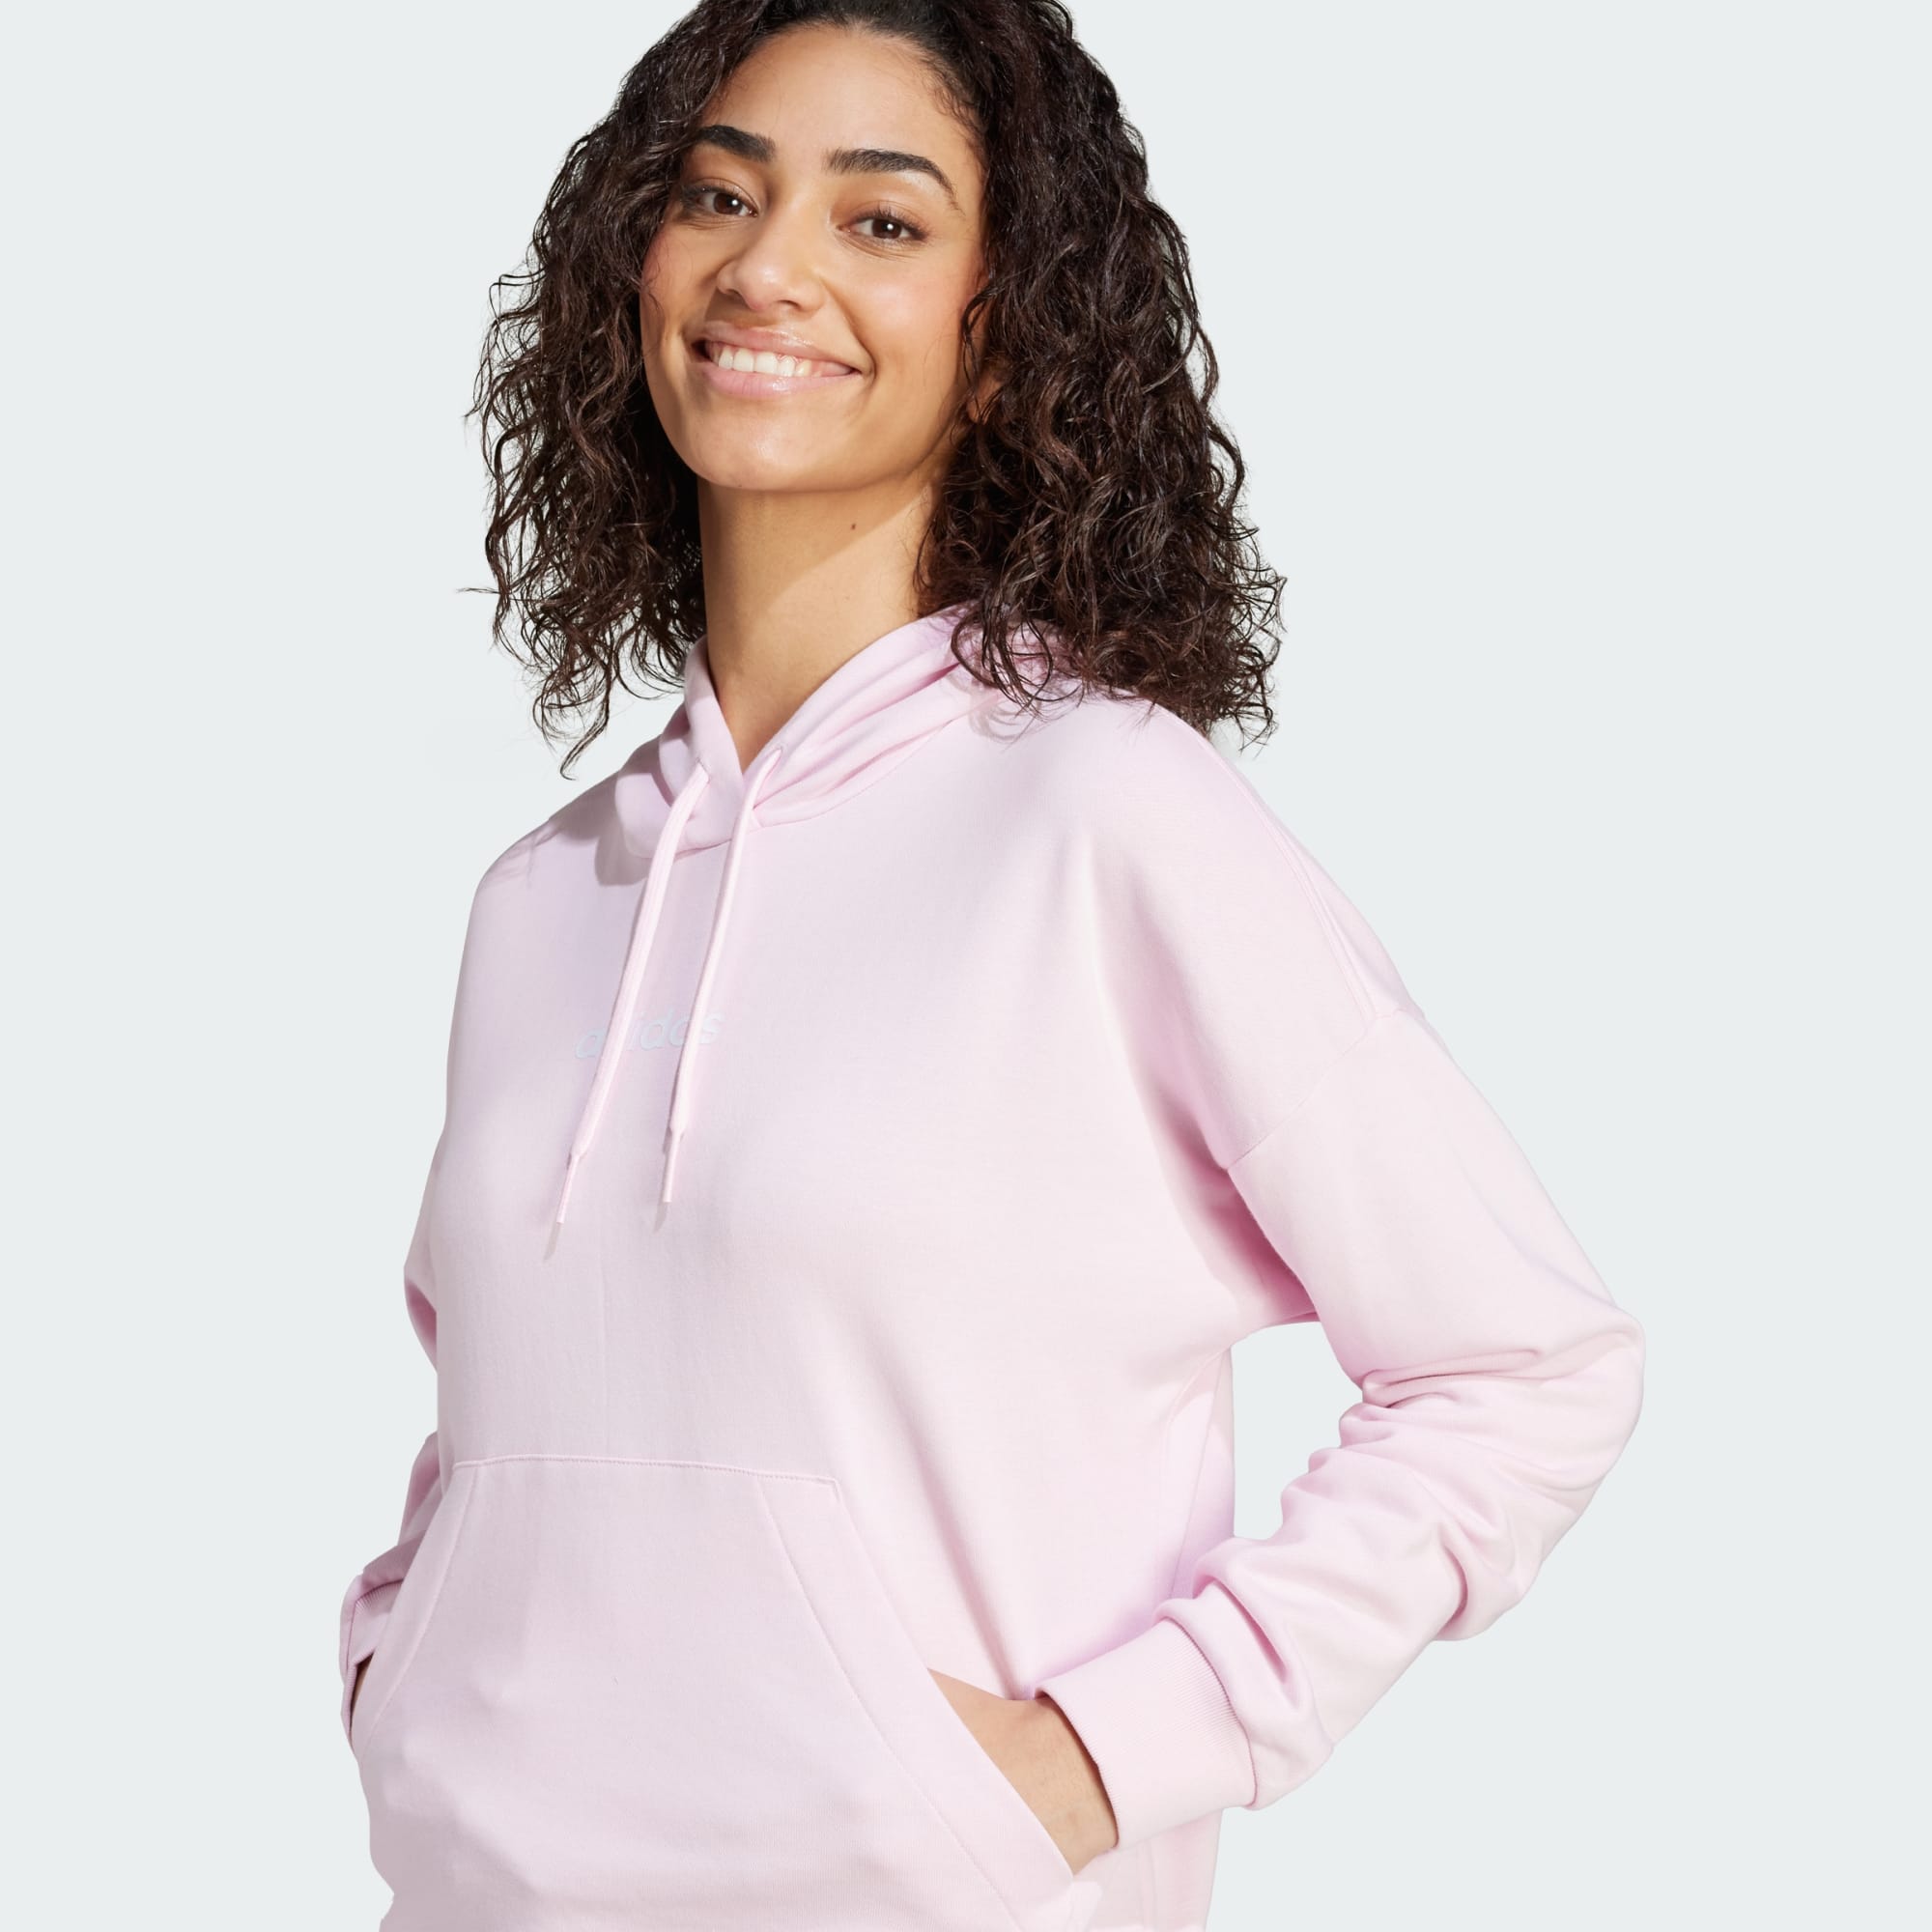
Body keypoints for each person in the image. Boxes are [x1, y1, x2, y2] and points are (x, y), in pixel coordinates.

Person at [335, 4, 1647, 1928]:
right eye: (718, 194)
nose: (768, 267)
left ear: (1007, 329)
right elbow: (517, 1422)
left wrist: (1107, 1753)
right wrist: (406, 1677)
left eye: (881, 220)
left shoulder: (1110, 818)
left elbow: (1519, 1367)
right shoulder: (541, 895)